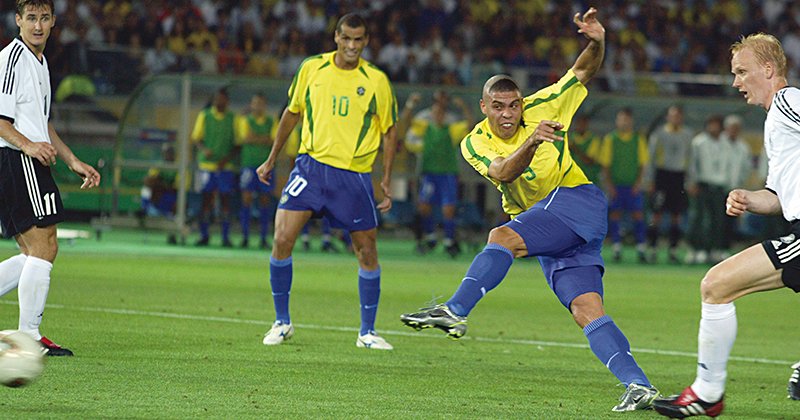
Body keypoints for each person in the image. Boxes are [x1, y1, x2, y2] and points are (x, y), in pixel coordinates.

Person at [400, 8, 659, 412]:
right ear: (483, 106)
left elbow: (582, 72)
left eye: (514, 105)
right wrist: (533, 141)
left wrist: (597, 41)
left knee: (501, 236)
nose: (508, 114)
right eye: (498, 106)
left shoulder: (546, 104)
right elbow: (504, 172)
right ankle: (639, 385)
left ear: (522, 103)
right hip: (554, 227)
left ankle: (455, 310)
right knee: (586, 310)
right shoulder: (474, 142)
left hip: (576, 200)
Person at [653, 33, 800, 418]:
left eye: (741, 72)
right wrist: (750, 198)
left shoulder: (788, 101)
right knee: (717, 286)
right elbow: (779, 197)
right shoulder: (775, 121)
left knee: (716, 285)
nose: (735, 82)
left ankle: (707, 393)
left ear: (768, 69)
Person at [256, 13, 398, 350]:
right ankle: (282, 322)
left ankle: (367, 332)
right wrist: (272, 158)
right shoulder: (312, 68)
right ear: (336, 37)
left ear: (366, 42)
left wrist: (386, 178)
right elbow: (292, 113)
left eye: (358, 40)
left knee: (366, 251)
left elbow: (390, 130)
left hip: (353, 176)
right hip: (310, 169)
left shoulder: (376, 80)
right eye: (346, 38)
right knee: (282, 238)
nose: (352, 45)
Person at [0, 0, 101, 356]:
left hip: (25, 158)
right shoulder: (12, 60)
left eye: (44, 18)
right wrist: (28, 146)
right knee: (44, 246)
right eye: (31, 18)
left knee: (33, 251)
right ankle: (29, 336)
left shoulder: (40, 63)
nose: (38, 25)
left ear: (54, 21)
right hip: (16, 158)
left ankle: (29, 334)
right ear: (18, 20)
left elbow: (42, 123)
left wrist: (72, 160)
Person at [399, 89, 472, 257]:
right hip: (429, 172)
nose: (439, 110)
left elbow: (469, 124)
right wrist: (410, 104)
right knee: (424, 206)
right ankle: (431, 237)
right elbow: (407, 121)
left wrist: (464, 107)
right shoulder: (425, 123)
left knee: (448, 209)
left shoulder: (451, 125)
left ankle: (449, 240)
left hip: (448, 172)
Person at [598, 107, 650, 263]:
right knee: (615, 215)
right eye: (621, 119)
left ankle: (641, 248)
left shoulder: (638, 139)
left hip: (633, 186)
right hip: (616, 185)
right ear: (617, 121)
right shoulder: (610, 139)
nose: (624, 122)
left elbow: (643, 164)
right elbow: (605, 164)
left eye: (626, 119)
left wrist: (638, 183)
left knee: (638, 215)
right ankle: (616, 248)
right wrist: (609, 185)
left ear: (631, 121)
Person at [646, 105, 693, 264]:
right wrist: (649, 180)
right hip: (662, 175)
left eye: (678, 116)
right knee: (656, 214)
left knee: (676, 216)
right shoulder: (659, 134)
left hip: (678, 176)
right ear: (667, 117)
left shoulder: (687, 135)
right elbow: (651, 158)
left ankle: (673, 250)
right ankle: (653, 249)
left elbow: (690, 158)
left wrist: (690, 180)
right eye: (672, 115)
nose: (675, 119)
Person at [191, 87, 238, 247]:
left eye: (222, 99)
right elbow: (196, 138)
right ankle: (204, 235)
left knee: (225, 201)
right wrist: (204, 150)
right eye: (217, 99)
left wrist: (227, 159)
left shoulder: (232, 118)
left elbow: (238, 143)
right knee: (205, 200)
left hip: (225, 167)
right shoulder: (205, 115)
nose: (219, 102)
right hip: (206, 165)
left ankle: (225, 236)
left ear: (227, 101)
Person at [684, 115, 727, 265]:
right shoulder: (699, 142)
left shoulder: (726, 142)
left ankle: (714, 249)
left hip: (720, 185)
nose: (713, 128)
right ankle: (696, 249)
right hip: (702, 184)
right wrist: (691, 182)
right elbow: (692, 164)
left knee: (718, 219)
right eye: (711, 125)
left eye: (716, 125)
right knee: (699, 219)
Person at [236, 93, 275, 249]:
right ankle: (245, 236)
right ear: (251, 105)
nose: (258, 106)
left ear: (265, 105)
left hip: (266, 166)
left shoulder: (271, 121)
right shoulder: (245, 120)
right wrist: (264, 139)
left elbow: (273, 140)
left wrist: (255, 138)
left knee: (265, 200)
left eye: (260, 103)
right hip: (249, 165)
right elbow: (245, 138)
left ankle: (263, 237)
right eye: (255, 103)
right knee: (246, 199)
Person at [720, 114, 752, 253]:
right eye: (731, 127)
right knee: (715, 219)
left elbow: (746, 168)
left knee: (730, 221)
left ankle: (725, 248)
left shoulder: (743, 147)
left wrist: (740, 183)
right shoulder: (719, 144)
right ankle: (711, 247)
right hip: (718, 187)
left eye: (736, 128)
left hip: (734, 188)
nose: (734, 130)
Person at [568, 113, 602, 186]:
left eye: (583, 124)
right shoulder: (570, 138)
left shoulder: (594, 140)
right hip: (572, 181)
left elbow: (589, 161)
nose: (581, 126)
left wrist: (574, 148)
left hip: (589, 180)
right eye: (579, 124)